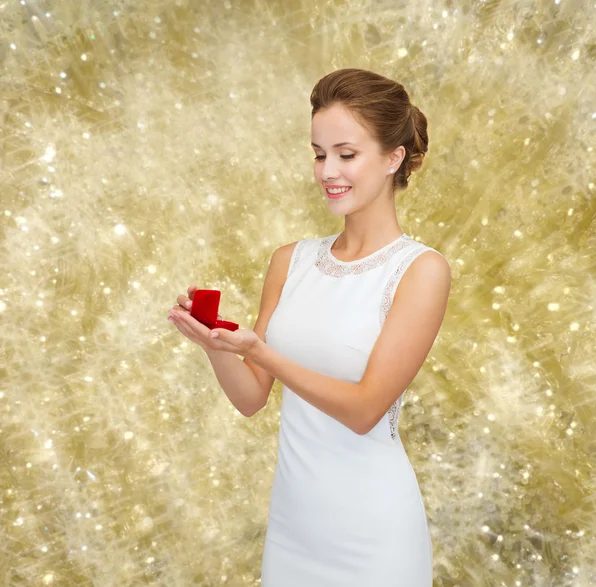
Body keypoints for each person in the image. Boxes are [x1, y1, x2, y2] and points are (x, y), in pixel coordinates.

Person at [168, 68, 451, 586]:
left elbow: (366, 409)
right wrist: (214, 346)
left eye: (347, 154)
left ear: (393, 158)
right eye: (320, 154)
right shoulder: (290, 261)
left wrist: (266, 353)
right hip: (293, 531)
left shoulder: (420, 271)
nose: (327, 171)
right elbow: (253, 397)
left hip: (374, 535)